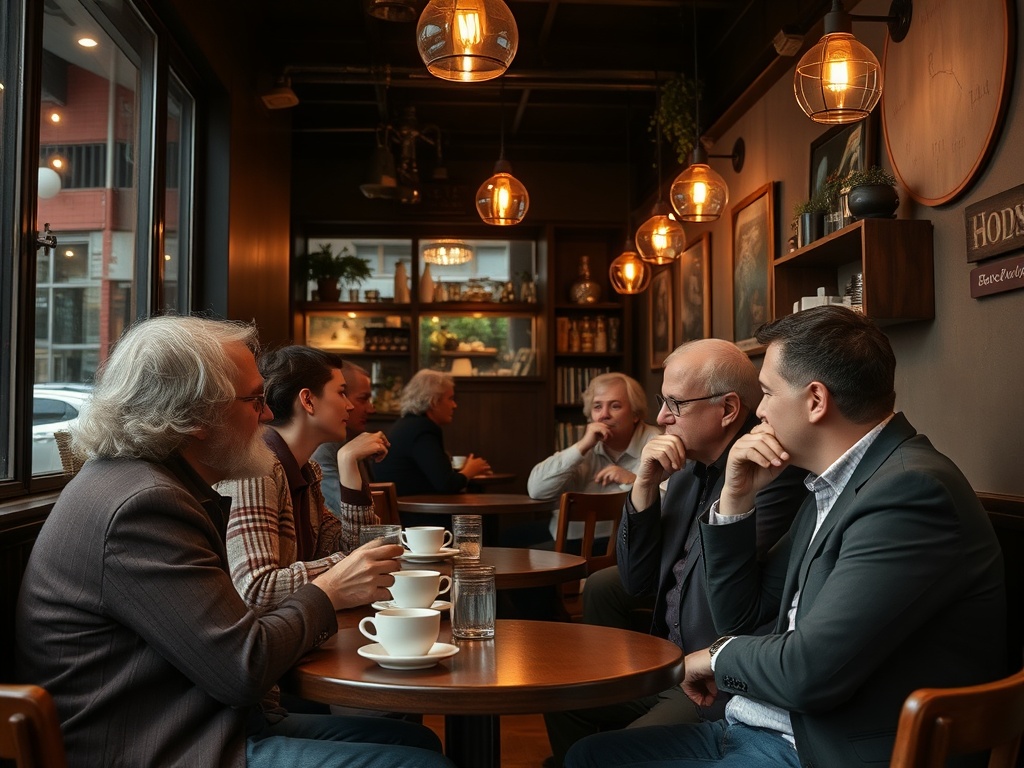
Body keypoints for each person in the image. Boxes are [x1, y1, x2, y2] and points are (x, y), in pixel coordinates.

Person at [566, 306, 1006, 768]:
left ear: (815, 400)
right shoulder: (835, 484)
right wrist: (736, 500)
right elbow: (742, 614)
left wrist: (715, 657)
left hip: (819, 748)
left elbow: (809, 671)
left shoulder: (909, 492)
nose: (759, 410)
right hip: (761, 725)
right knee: (589, 756)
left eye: (769, 392)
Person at [15, 316, 453, 768]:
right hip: (156, 746)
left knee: (417, 743)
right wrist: (328, 591)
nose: (267, 415)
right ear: (195, 416)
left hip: (198, 721)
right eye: (255, 399)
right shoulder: (143, 505)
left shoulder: (144, 481)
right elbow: (243, 667)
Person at [543, 340, 807, 766]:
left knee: (609, 756)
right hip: (668, 659)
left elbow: (719, 596)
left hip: (713, 680)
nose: (662, 417)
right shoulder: (684, 464)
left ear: (727, 409)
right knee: (562, 699)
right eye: (661, 401)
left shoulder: (771, 474)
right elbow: (637, 580)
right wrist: (643, 486)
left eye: (675, 404)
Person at [217, 345, 390, 612]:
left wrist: (348, 464)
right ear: (308, 400)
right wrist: (352, 563)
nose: (350, 405)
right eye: (342, 392)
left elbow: (350, 547)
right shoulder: (255, 471)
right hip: (253, 644)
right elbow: (257, 589)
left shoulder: (306, 470)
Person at [520, 372, 661, 552]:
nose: (604, 415)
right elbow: (537, 490)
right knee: (508, 540)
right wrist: (582, 446)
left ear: (635, 414)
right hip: (570, 536)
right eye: (597, 407)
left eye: (615, 406)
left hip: (626, 544)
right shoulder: (587, 446)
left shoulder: (656, 443)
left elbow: (668, 506)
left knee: (524, 557)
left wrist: (633, 481)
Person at [375, 370, 490, 526]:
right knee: (481, 521)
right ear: (434, 402)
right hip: (418, 522)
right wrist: (470, 470)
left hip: (407, 514)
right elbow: (446, 484)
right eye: (450, 399)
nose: (455, 405)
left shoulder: (408, 425)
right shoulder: (422, 429)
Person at [311, 360, 377, 517]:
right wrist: (348, 457)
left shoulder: (351, 440)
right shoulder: (323, 446)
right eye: (363, 399)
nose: (371, 409)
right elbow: (348, 519)